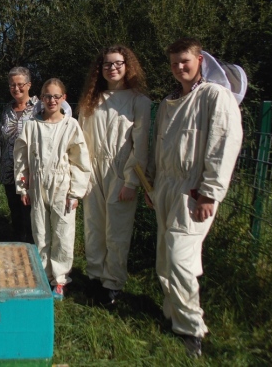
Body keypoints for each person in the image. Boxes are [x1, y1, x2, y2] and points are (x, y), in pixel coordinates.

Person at [145, 38, 243, 357]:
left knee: (180, 260)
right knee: (165, 258)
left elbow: (222, 147)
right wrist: (152, 185)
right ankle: (172, 314)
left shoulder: (215, 96)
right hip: (166, 188)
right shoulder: (169, 101)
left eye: (185, 61)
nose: (179, 67)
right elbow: (158, 148)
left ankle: (192, 330)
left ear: (200, 60)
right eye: (174, 63)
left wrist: (209, 194)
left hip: (193, 192)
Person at [78, 45, 152, 305]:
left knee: (117, 230)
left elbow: (140, 145)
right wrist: (82, 175)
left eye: (118, 63)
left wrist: (132, 181)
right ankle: (95, 276)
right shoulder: (91, 99)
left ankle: (113, 283)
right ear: (101, 69)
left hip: (121, 171)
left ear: (127, 65)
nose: (113, 68)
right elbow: (80, 142)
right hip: (92, 171)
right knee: (93, 226)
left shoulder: (139, 101)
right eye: (107, 64)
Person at [14, 78, 91, 300]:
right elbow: (21, 159)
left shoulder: (70, 125)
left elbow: (80, 161)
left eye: (56, 96)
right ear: (41, 98)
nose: (52, 100)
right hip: (38, 185)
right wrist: (23, 187)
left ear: (63, 98)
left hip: (62, 186)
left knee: (62, 233)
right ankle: (43, 275)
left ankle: (60, 280)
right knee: (40, 232)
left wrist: (75, 192)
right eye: (47, 96)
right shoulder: (32, 125)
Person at [0, 67, 73, 243]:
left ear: (29, 85)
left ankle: (35, 257)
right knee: (16, 217)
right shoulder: (6, 110)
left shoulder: (40, 107)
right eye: (12, 85)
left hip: (34, 174)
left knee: (33, 220)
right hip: (10, 173)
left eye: (20, 84)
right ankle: (18, 254)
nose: (16, 89)